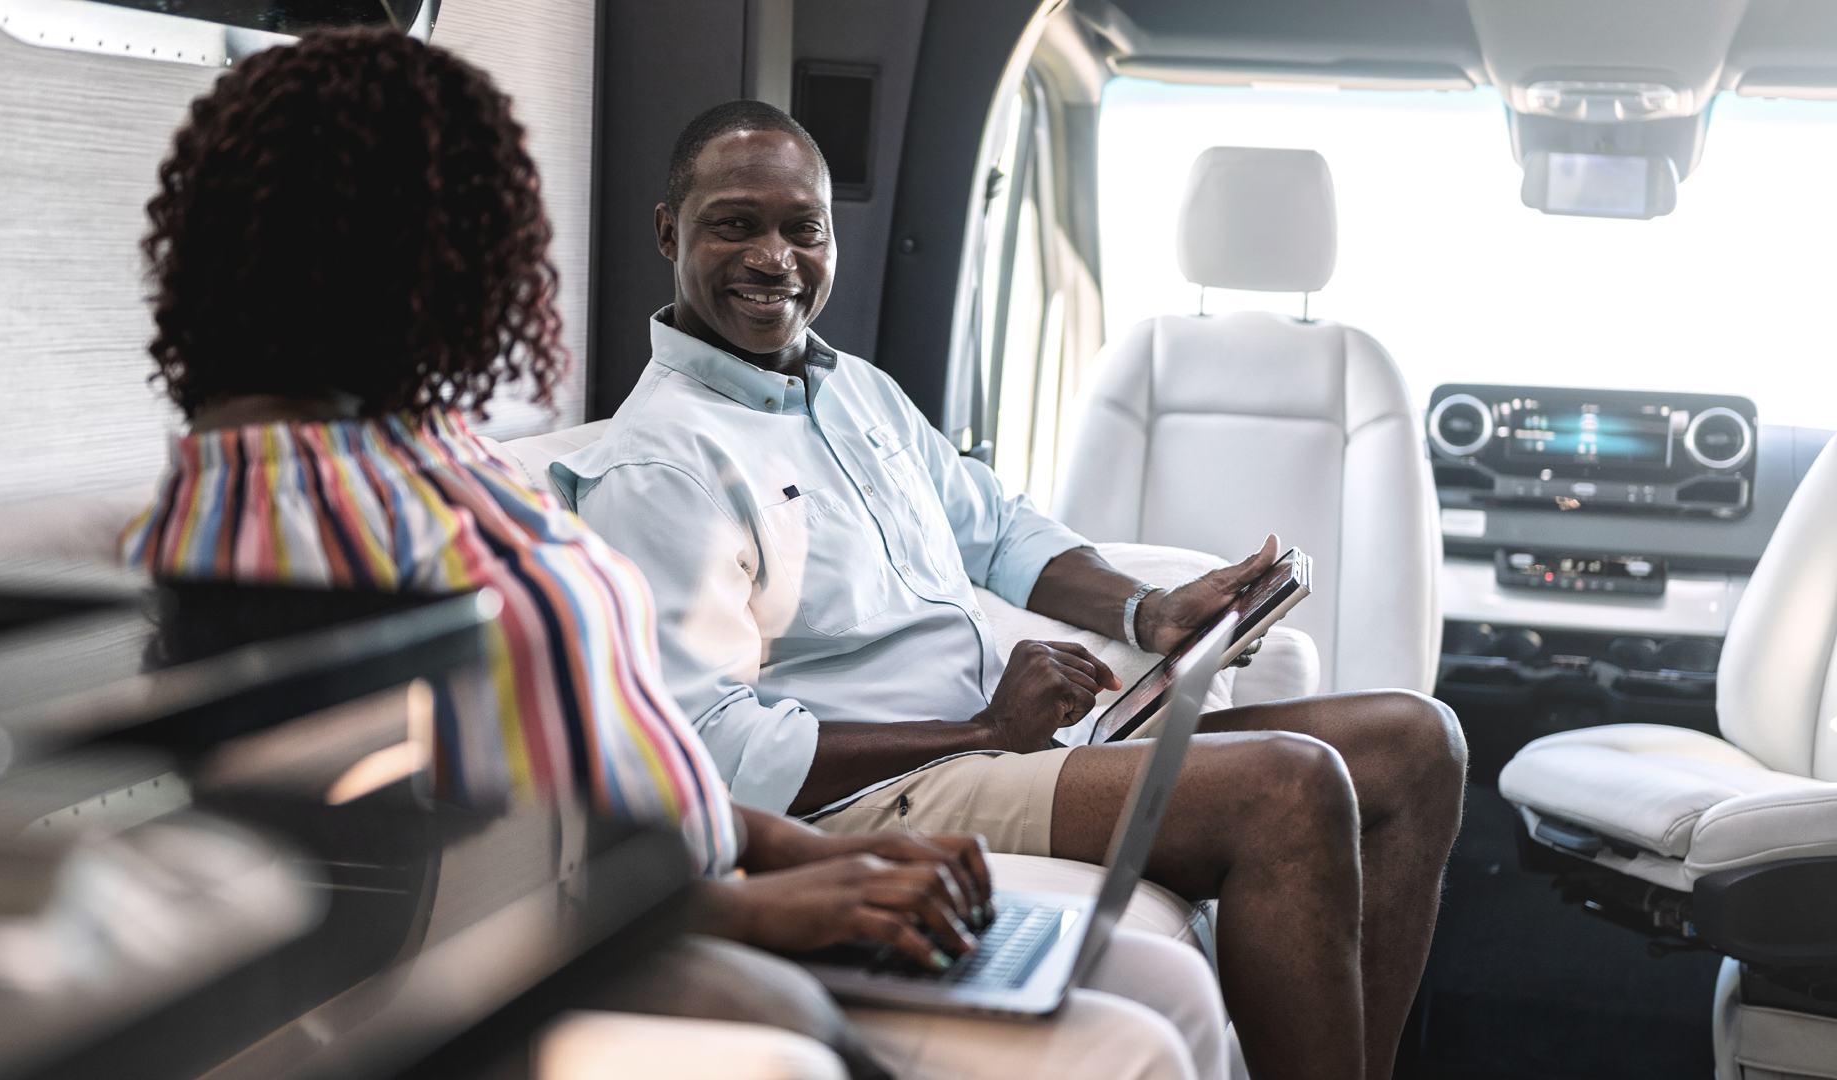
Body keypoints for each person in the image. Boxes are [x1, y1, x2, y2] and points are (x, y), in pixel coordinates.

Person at [123, 30, 1228, 1080]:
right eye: (475, 230)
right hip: (632, 948)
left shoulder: (417, 450)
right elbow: (407, 889)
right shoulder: (279, 531)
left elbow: (613, 770)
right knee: (1137, 1040)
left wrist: (798, 857)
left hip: (707, 874)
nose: (507, 268)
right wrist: (759, 903)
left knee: (1162, 989)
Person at [552, 99, 1470, 1080]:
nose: (774, 256)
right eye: (735, 223)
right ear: (667, 232)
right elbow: (716, 754)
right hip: (884, 789)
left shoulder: (850, 387)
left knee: (1416, 742)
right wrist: (980, 733)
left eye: (802, 227)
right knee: (1290, 790)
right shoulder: (662, 467)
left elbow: (994, 527)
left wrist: (1145, 611)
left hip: (1014, 743)